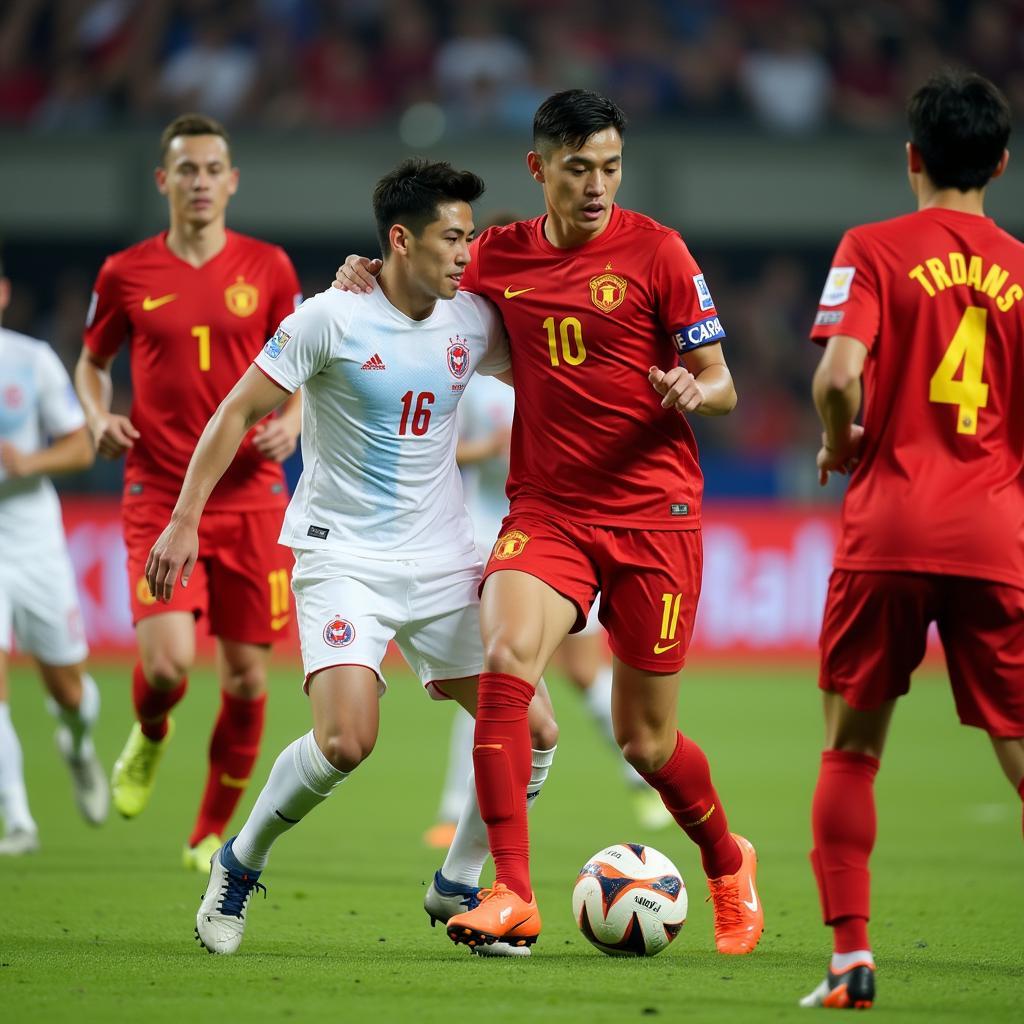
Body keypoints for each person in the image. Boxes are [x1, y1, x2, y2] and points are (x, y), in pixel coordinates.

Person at [337, 90, 762, 956]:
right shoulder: (497, 255)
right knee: (505, 661)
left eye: (609, 166)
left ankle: (726, 860)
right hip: (551, 511)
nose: (597, 184)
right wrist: (362, 278)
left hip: (655, 515)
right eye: (578, 168)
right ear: (539, 170)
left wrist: (693, 389)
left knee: (646, 739)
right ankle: (512, 894)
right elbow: (415, 285)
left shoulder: (661, 253)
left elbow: (722, 381)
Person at [143, 159, 559, 956]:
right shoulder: (328, 318)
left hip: (444, 562)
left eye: (471, 238)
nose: (465, 254)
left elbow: (551, 360)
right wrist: (183, 519)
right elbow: (236, 411)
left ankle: (459, 883)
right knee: (345, 743)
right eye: (450, 238)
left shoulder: (471, 320)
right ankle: (239, 861)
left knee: (536, 732)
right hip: (345, 563)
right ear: (400, 240)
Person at [802, 69, 1024, 1010]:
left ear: (911, 158)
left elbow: (836, 377)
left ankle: (851, 957)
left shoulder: (873, 247)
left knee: (852, 751)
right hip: (995, 533)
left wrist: (840, 443)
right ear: (1001, 163)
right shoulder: (1022, 266)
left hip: (888, 525)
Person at [74, 113, 302, 870]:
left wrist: (294, 419)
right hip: (156, 491)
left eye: (213, 169)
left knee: (243, 675)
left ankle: (209, 832)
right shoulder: (124, 272)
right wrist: (92, 414)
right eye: (187, 169)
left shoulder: (268, 268)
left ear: (231, 181)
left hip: (253, 498)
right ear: (163, 181)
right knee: (169, 665)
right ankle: (152, 729)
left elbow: (307, 364)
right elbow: (91, 361)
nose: (200, 181)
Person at [425, 366, 671, 849]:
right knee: (493, 669)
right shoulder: (467, 380)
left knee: (582, 674)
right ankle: (455, 808)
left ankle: (643, 779)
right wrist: (489, 449)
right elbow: (432, 452)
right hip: (489, 532)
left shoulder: (560, 372)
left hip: (564, 535)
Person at [0, 252, 108, 855]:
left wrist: (28, 463)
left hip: (31, 536)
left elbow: (78, 448)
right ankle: (18, 818)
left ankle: (77, 743)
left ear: (4, 293)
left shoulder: (29, 360)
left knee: (67, 687)